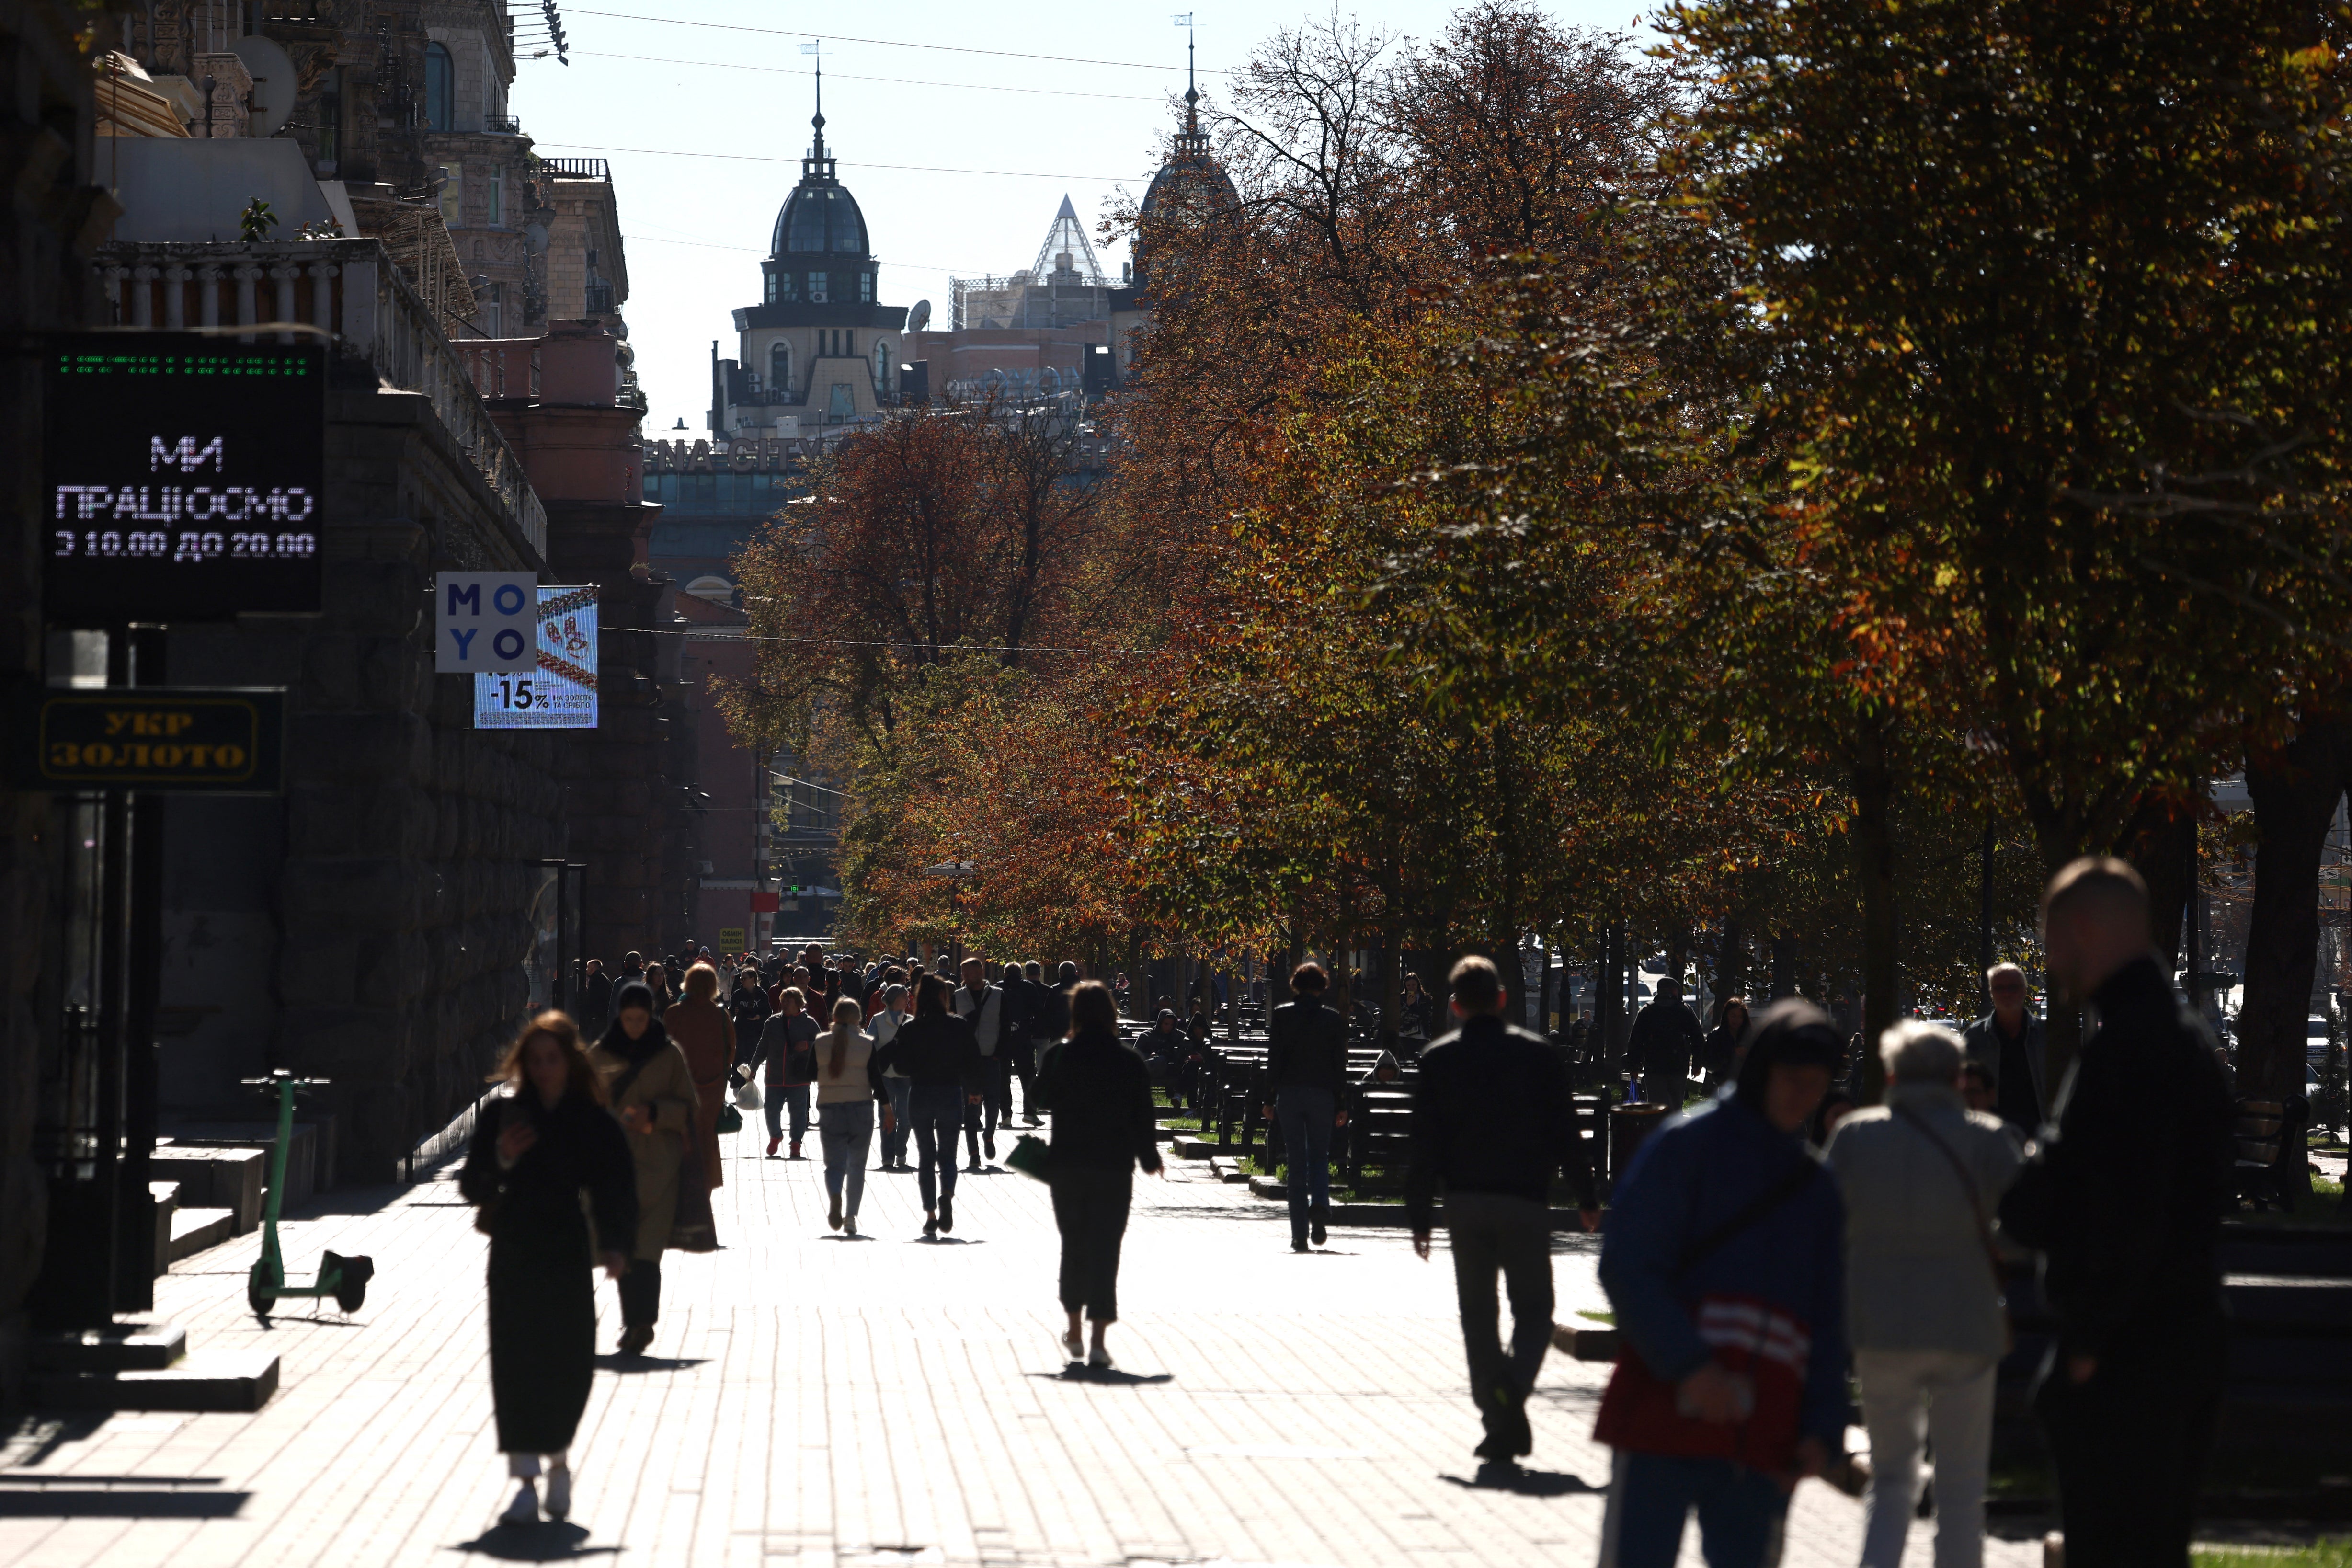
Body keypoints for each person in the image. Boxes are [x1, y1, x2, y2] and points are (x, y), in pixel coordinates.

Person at [1997, 858, 2234, 1568]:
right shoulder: (2183, 1042)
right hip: (2177, 1338)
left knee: (2115, 1544)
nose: (2047, 957)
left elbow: (2118, 1204)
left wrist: (2091, 1337)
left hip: (2128, 1355)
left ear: (2083, 928)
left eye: (2049, 936)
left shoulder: (2122, 1052)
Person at [1594, 998, 1848, 1568]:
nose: (1801, 1097)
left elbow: (1827, 1315)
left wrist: (1822, 1426)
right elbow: (1627, 1266)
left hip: (1762, 1424)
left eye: (1815, 1084)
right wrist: (1690, 1365)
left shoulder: (1815, 1187)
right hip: (1666, 1406)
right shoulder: (1685, 1148)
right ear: (1760, 1071)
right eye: (1790, 1079)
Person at [1825, 1020, 2023, 1568]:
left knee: (1890, 1476)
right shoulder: (1986, 1137)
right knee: (1961, 1489)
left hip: (1881, 1327)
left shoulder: (1856, 1136)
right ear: (1958, 1078)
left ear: (1890, 1074)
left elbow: (1824, 1226)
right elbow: (2024, 1224)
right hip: (1966, 1324)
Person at [1406, 956, 1600, 1463]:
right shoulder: (1537, 1056)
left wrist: (1419, 1216)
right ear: (1501, 999)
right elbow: (1565, 1130)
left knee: (1477, 1314)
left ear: (1453, 1006)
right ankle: (1510, 1391)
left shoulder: (1438, 1059)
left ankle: (1497, 1415)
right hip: (1523, 1199)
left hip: (1465, 1201)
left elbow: (1423, 1144)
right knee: (1534, 1311)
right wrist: (1585, 1196)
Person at [460, 1010, 635, 1526]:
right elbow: (472, 1187)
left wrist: (617, 1246)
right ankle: (524, 1481)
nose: (541, 1069)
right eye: (533, 1061)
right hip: (514, 1250)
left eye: (550, 1059)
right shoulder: (503, 1117)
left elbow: (615, 1187)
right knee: (515, 1362)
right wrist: (502, 1159)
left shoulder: (590, 1120)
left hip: (565, 1251)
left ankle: (559, 1460)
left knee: (567, 1360)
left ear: (569, 1061)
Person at [1034, 978, 1164, 1369]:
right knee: (1107, 1248)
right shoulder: (1128, 1060)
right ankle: (1099, 1341)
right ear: (1111, 1013)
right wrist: (1148, 1155)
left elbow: (1039, 1097)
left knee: (1073, 1243)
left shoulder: (1060, 1055)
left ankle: (1073, 1327)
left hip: (1068, 1163)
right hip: (1113, 1165)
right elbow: (1143, 1113)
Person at [584, 979, 697, 1355]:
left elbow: (688, 1107)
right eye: (629, 1017)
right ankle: (633, 1321)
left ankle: (642, 1323)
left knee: (647, 1251)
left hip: (659, 1165)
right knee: (622, 1244)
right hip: (613, 1166)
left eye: (641, 1017)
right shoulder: (600, 1054)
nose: (634, 1024)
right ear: (620, 1015)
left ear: (650, 1016)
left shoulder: (669, 1054)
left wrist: (655, 1115)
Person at [870, 973, 985, 1237]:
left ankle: (931, 1214)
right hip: (950, 1092)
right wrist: (975, 1091)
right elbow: (973, 1060)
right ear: (945, 997)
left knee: (925, 1155)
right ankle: (947, 1194)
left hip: (920, 1092)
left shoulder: (912, 1028)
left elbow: (899, 1065)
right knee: (948, 1153)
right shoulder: (958, 1026)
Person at [1262, 961, 1350, 1252]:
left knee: (1296, 1161)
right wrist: (1341, 1103)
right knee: (1319, 1156)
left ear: (1296, 985)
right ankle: (1320, 1207)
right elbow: (1340, 1065)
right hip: (1322, 1095)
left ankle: (1299, 1234)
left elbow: (1274, 1059)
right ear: (1323, 986)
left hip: (1289, 1094)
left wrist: (1268, 1098)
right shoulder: (1334, 1020)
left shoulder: (1283, 1016)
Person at [663, 964, 735, 1191]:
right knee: (707, 1135)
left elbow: (664, 1047)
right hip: (713, 1085)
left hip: (681, 1083)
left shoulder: (674, 1012)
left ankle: (681, 1181)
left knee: (681, 1132)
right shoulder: (720, 1014)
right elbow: (731, 1048)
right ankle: (707, 1183)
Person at [813, 994, 878, 1235]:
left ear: (835, 1016)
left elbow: (810, 1072)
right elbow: (876, 1079)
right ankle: (850, 1217)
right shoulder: (867, 1043)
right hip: (861, 1107)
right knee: (857, 1165)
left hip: (830, 1106)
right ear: (858, 1019)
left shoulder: (821, 1042)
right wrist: (888, 1108)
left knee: (833, 1164)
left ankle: (835, 1196)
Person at [1963, 962, 2050, 1134]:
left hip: (2040, 1133)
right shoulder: (1975, 1038)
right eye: (2000, 988)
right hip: (1990, 1135)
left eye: (2013, 987)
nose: (2007, 993)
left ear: (2025, 990)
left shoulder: (2045, 1035)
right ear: (1991, 993)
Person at [752, 986, 820, 1159]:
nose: (783, 1004)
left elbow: (822, 1045)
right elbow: (762, 1047)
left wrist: (808, 1045)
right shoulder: (772, 1022)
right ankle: (776, 1135)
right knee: (770, 1109)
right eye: (782, 1001)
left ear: (798, 1004)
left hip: (799, 1075)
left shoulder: (809, 1022)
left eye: (788, 1002)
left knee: (798, 1112)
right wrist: (753, 1068)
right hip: (774, 1075)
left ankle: (796, 1143)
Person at [955, 956, 1007, 1169]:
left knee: (993, 1101)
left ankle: (989, 1134)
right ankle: (974, 1153)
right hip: (967, 1061)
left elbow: (1005, 1025)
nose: (964, 977)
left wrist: (999, 1052)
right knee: (970, 1107)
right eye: (963, 973)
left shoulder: (998, 995)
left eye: (968, 973)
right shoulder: (957, 996)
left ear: (981, 973)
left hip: (990, 1058)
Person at [1626, 975, 1706, 1104]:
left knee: (1656, 1105)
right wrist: (1697, 1064)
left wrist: (1634, 1066)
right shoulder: (1684, 1010)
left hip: (1654, 1066)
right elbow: (1698, 1038)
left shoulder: (1647, 1011)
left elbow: (1636, 1040)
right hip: (1678, 1066)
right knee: (1676, 1104)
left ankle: (1658, 1124)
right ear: (1675, 991)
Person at [871, 982, 913, 1171]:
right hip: (884, 1074)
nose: (908, 999)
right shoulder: (878, 1020)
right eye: (905, 996)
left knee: (906, 1117)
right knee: (887, 1116)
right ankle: (888, 1157)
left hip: (906, 1075)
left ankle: (900, 1151)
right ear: (895, 998)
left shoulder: (911, 1021)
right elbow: (870, 1045)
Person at [999, 958, 1041, 1126]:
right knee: (1028, 1077)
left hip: (1003, 1039)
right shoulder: (1029, 987)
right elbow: (1038, 1013)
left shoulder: (998, 988)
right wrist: (1031, 1031)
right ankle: (1029, 1113)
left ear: (1005, 974)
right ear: (1021, 973)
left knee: (1003, 1079)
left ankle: (1006, 1116)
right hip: (1023, 1039)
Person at [1701, 996, 1749, 1086]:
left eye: (1740, 1017)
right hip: (1724, 1083)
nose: (1736, 1020)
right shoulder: (1716, 1037)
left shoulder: (1750, 1036)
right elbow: (1708, 1063)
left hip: (1746, 1083)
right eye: (1733, 1016)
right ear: (1726, 1015)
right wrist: (1729, 1055)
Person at [729, 965, 771, 1045]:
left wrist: (758, 1017)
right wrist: (735, 1011)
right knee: (739, 1056)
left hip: (755, 1032)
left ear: (753, 980)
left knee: (752, 1056)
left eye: (744, 979)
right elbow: (731, 1011)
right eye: (741, 979)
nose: (742, 981)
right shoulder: (738, 994)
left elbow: (768, 1013)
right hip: (740, 1030)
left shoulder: (761, 995)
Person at [1397, 971, 1437, 1046]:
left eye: (1414, 985)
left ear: (1418, 985)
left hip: (1423, 1034)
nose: (1411, 988)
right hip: (1406, 1034)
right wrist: (1408, 1005)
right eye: (1408, 986)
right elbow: (1399, 1015)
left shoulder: (1426, 998)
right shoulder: (1402, 998)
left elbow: (1430, 1015)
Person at [580, 958, 613, 1039]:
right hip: (602, 1017)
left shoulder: (596, 979)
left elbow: (594, 998)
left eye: (588, 967)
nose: (587, 969)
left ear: (593, 967)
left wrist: (592, 1015)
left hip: (598, 1018)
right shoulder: (602, 978)